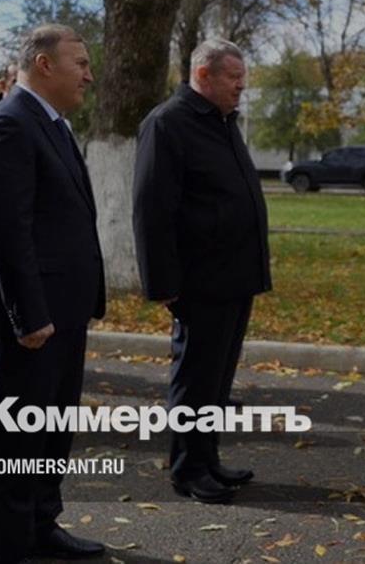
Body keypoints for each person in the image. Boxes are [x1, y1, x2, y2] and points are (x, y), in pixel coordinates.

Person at [0, 25, 105, 563]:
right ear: (44, 64)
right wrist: (28, 315)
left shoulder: (51, 124)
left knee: (52, 430)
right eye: (81, 64)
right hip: (31, 321)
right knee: (20, 437)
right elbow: (4, 233)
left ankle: (41, 525)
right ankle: (7, 547)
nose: (89, 75)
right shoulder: (7, 125)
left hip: (63, 314)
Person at [133, 39, 271, 505]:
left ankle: (208, 459)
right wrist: (162, 283)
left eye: (242, 77)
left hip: (235, 276)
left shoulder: (222, 121)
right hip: (199, 280)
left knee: (217, 381)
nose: (241, 85)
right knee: (195, 380)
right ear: (203, 75)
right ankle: (187, 470)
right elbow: (151, 209)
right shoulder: (168, 123)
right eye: (234, 77)